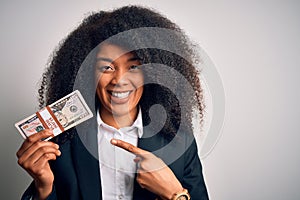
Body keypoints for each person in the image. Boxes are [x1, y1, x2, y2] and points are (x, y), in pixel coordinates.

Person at [16, 5, 209, 200]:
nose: (119, 80)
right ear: (87, 73)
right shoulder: (61, 144)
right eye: (107, 67)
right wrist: (43, 187)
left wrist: (174, 194)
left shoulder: (179, 141)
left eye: (133, 66)